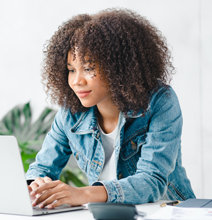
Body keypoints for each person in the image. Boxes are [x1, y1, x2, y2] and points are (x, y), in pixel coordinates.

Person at [26, 8, 195, 209]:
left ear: (118, 67)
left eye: (88, 69)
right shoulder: (70, 111)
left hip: (168, 210)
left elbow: (152, 181)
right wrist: (36, 185)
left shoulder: (160, 101)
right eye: (71, 70)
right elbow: (42, 168)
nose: (77, 81)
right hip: (109, 214)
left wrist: (82, 194)